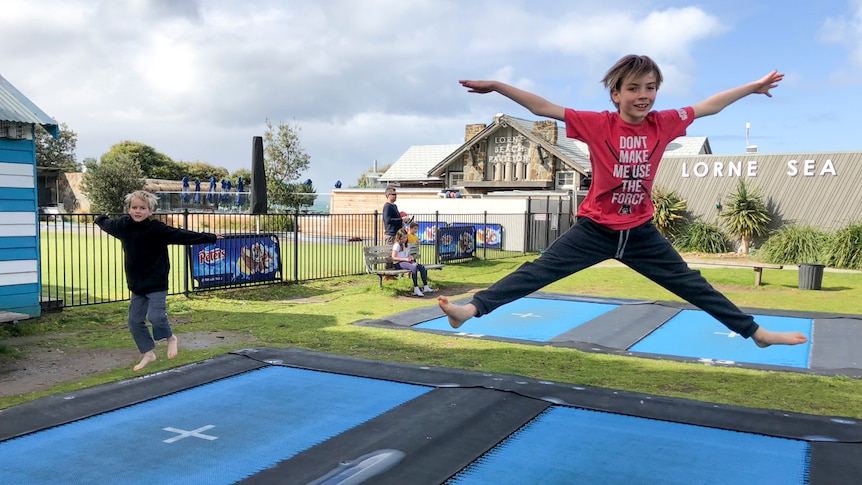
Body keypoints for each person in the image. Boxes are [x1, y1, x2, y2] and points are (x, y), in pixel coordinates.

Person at [438, 54, 807, 349]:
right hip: (596, 229)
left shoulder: (664, 123)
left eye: (650, 88)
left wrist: (754, 88)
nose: (643, 95)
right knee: (538, 271)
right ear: (616, 94)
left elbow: (710, 106)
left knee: (693, 285)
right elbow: (544, 108)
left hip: (640, 232)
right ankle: (469, 310)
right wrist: (500, 86)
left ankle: (756, 334)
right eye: (633, 88)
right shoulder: (598, 124)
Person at [95, 190, 224, 371]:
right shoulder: (123, 226)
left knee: (155, 316)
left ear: (150, 211)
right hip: (137, 285)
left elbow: (182, 235)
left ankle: (171, 338)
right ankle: (148, 352)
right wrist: (100, 218)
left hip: (156, 283)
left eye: (142, 208)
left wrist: (208, 237)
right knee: (134, 321)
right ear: (129, 209)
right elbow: (108, 224)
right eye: (134, 207)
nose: (137, 211)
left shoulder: (157, 229)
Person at [392, 228, 434, 297]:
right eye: (403, 238)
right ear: (399, 238)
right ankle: (416, 288)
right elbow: (393, 257)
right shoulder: (397, 245)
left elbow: (407, 254)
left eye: (405, 237)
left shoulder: (406, 244)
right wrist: (405, 259)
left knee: (421, 267)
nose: (404, 239)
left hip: (406, 261)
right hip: (398, 263)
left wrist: (410, 257)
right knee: (413, 267)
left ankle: (426, 286)